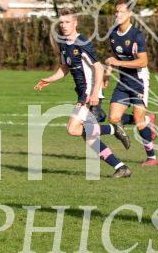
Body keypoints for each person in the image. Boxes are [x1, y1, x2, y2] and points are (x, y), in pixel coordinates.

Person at [34, 13, 132, 179]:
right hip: (82, 93)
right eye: (61, 22)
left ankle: (114, 128)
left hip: (89, 93)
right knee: (89, 137)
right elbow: (65, 67)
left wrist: (94, 93)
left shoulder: (82, 42)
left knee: (72, 129)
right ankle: (121, 167)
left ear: (75, 23)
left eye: (67, 22)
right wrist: (49, 79)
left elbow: (98, 68)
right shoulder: (64, 44)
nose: (63, 25)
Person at [104, 0, 158, 167]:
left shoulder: (136, 35)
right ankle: (148, 119)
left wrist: (118, 63)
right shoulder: (113, 34)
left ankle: (152, 157)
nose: (118, 15)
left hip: (139, 81)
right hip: (123, 81)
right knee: (113, 118)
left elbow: (143, 62)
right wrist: (107, 75)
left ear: (130, 14)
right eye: (116, 12)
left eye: (122, 12)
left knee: (138, 120)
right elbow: (114, 59)